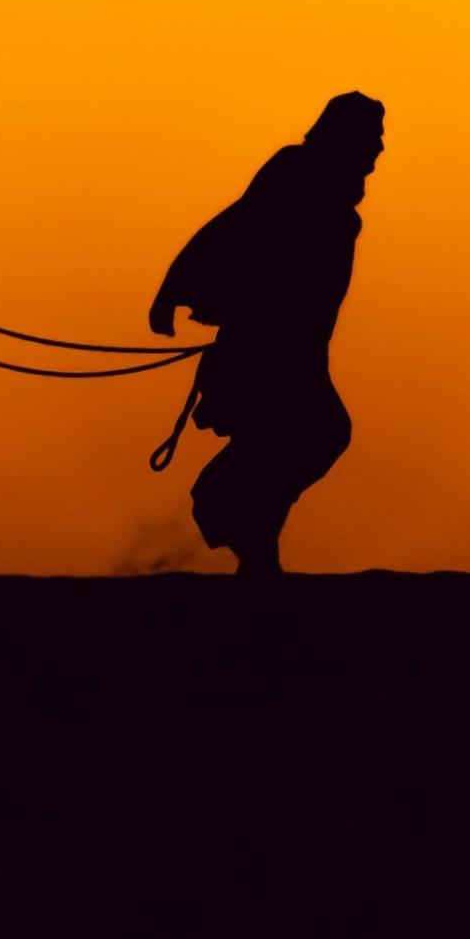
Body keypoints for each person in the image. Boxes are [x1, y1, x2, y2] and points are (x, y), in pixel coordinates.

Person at [148, 92, 383, 577]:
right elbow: (235, 225)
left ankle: (249, 544)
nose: (379, 151)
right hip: (262, 354)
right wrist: (174, 288)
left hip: (295, 355)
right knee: (314, 433)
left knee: (307, 436)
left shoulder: (334, 204)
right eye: (372, 139)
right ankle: (233, 523)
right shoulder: (296, 175)